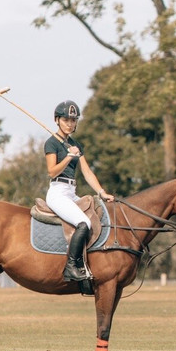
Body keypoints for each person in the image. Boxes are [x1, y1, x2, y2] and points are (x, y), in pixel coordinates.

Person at [45, 100, 114, 282]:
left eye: (73, 120)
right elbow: (51, 171)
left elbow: (87, 172)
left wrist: (101, 192)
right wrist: (69, 156)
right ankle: (71, 267)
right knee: (84, 222)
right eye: (66, 120)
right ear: (57, 120)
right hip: (58, 192)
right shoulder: (52, 143)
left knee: (96, 215)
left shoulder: (75, 145)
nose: (70, 124)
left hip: (71, 191)